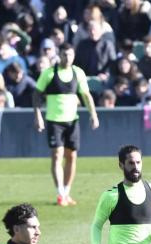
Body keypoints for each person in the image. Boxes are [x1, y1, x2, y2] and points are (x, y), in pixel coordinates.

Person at [33, 43, 99, 206]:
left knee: (72, 156)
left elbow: (86, 95)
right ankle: (60, 194)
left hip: (72, 121)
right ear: (59, 55)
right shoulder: (49, 73)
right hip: (55, 121)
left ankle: (67, 192)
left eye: (70, 54)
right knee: (57, 155)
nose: (67, 58)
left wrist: (93, 114)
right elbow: (36, 94)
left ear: (73, 56)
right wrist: (38, 116)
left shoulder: (78, 73)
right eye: (64, 54)